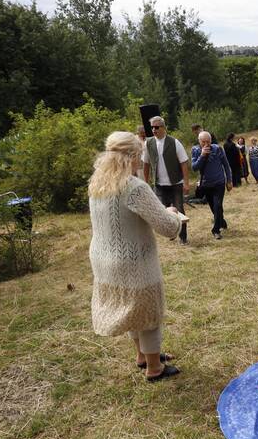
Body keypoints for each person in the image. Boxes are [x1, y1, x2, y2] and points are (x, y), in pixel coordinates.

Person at [88, 131, 186, 382]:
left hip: (103, 260)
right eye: (139, 154)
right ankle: (155, 368)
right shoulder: (134, 188)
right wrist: (173, 213)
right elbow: (167, 228)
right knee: (148, 312)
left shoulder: (97, 184)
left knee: (131, 310)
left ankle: (142, 356)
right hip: (133, 260)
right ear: (131, 156)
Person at [142, 116, 190, 244]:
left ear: (163, 128)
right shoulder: (148, 143)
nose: (154, 130)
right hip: (159, 185)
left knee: (179, 209)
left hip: (176, 183)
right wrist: (145, 182)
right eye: (152, 127)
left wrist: (186, 182)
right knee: (163, 211)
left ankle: (183, 237)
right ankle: (171, 232)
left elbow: (184, 162)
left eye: (156, 127)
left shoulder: (174, 142)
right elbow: (145, 164)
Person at [190, 130, 233, 240]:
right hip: (206, 185)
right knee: (215, 208)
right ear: (199, 141)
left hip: (219, 182)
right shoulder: (195, 150)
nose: (206, 144)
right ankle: (221, 221)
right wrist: (202, 155)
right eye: (203, 142)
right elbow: (195, 167)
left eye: (208, 141)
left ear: (211, 140)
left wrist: (229, 180)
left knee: (218, 205)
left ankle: (216, 230)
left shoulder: (218, 149)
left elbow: (226, 165)